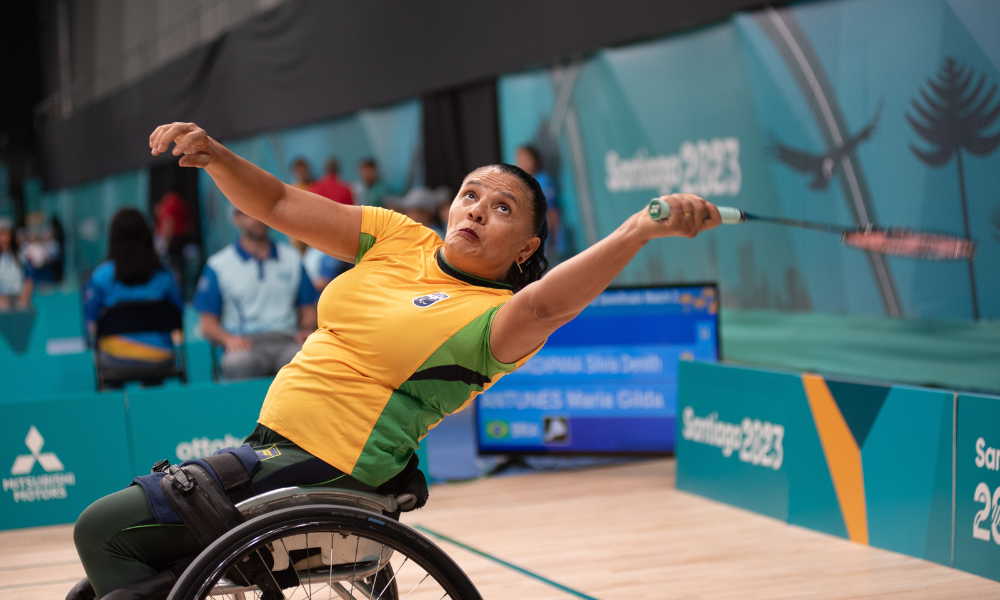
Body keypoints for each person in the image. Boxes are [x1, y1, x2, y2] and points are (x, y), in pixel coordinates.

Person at [69, 121, 720, 599]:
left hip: (330, 465)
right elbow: (275, 204)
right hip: (270, 451)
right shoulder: (399, 236)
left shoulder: (496, 320)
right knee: (115, 580)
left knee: (102, 530)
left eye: (502, 210)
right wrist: (214, 156)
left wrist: (638, 230)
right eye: (471, 195)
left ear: (526, 249)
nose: (477, 211)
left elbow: (550, 306)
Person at [193, 207, 319, 380]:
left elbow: (308, 310)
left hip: (287, 340)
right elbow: (207, 324)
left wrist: (306, 330)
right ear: (236, 219)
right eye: (248, 212)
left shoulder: (293, 259)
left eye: (261, 210)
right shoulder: (217, 265)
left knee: (306, 358)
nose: (257, 218)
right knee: (238, 363)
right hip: (245, 343)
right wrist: (228, 339)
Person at [83, 208, 184, 380]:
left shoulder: (100, 277)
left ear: (112, 238)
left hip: (115, 359)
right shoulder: (165, 276)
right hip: (160, 356)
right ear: (147, 235)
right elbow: (178, 315)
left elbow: (91, 325)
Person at [516, 145, 573, 264]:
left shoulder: (543, 182)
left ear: (535, 160)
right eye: (519, 160)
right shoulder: (522, 184)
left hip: (544, 248)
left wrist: (554, 243)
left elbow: (552, 214)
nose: (522, 164)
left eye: (526, 160)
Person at [0, 217, 32, 311]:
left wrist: (24, 297)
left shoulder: (21, 255)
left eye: (7, 233)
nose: (4, 237)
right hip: (2, 298)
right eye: (2, 233)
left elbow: (29, 277)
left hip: (19, 296)